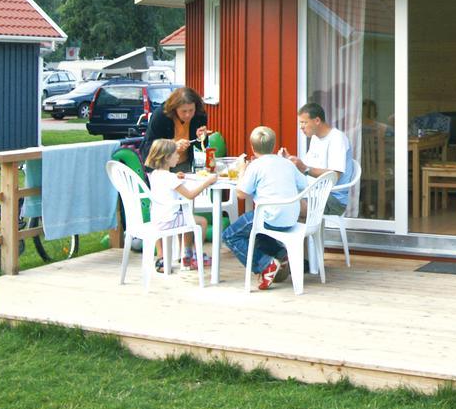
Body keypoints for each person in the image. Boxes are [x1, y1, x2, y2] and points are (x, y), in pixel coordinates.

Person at [222, 125, 308, 290]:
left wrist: (242, 171)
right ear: (274, 145)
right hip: (290, 218)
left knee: (230, 235)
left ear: (252, 148)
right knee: (256, 234)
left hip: (269, 217)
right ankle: (281, 255)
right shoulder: (287, 164)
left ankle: (265, 265)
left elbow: (241, 193)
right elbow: (303, 184)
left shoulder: (256, 166)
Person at [144, 139, 218, 270]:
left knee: (188, 217)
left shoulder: (155, 174)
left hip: (158, 219)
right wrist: (207, 182)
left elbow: (167, 184)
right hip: (169, 221)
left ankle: (187, 255)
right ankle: (194, 256)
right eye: (175, 154)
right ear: (167, 158)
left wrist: (175, 176)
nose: (178, 156)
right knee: (201, 222)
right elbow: (190, 195)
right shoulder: (170, 178)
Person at [286, 102, 353, 215]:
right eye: (300, 123)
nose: (301, 127)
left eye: (304, 122)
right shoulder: (315, 138)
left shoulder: (337, 138)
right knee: (282, 196)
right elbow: (306, 167)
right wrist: (289, 161)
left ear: (317, 120)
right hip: (314, 192)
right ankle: (305, 232)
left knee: (290, 207)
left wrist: (305, 168)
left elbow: (334, 175)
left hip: (333, 199)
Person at [142, 86, 209, 173]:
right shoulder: (160, 116)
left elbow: (201, 146)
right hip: (160, 166)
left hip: (183, 164)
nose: (188, 115)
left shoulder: (199, 115)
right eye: (183, 111)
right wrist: (172, 147)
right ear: (174, 108)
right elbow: (149, 147)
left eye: (191, 110)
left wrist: (202, 137)